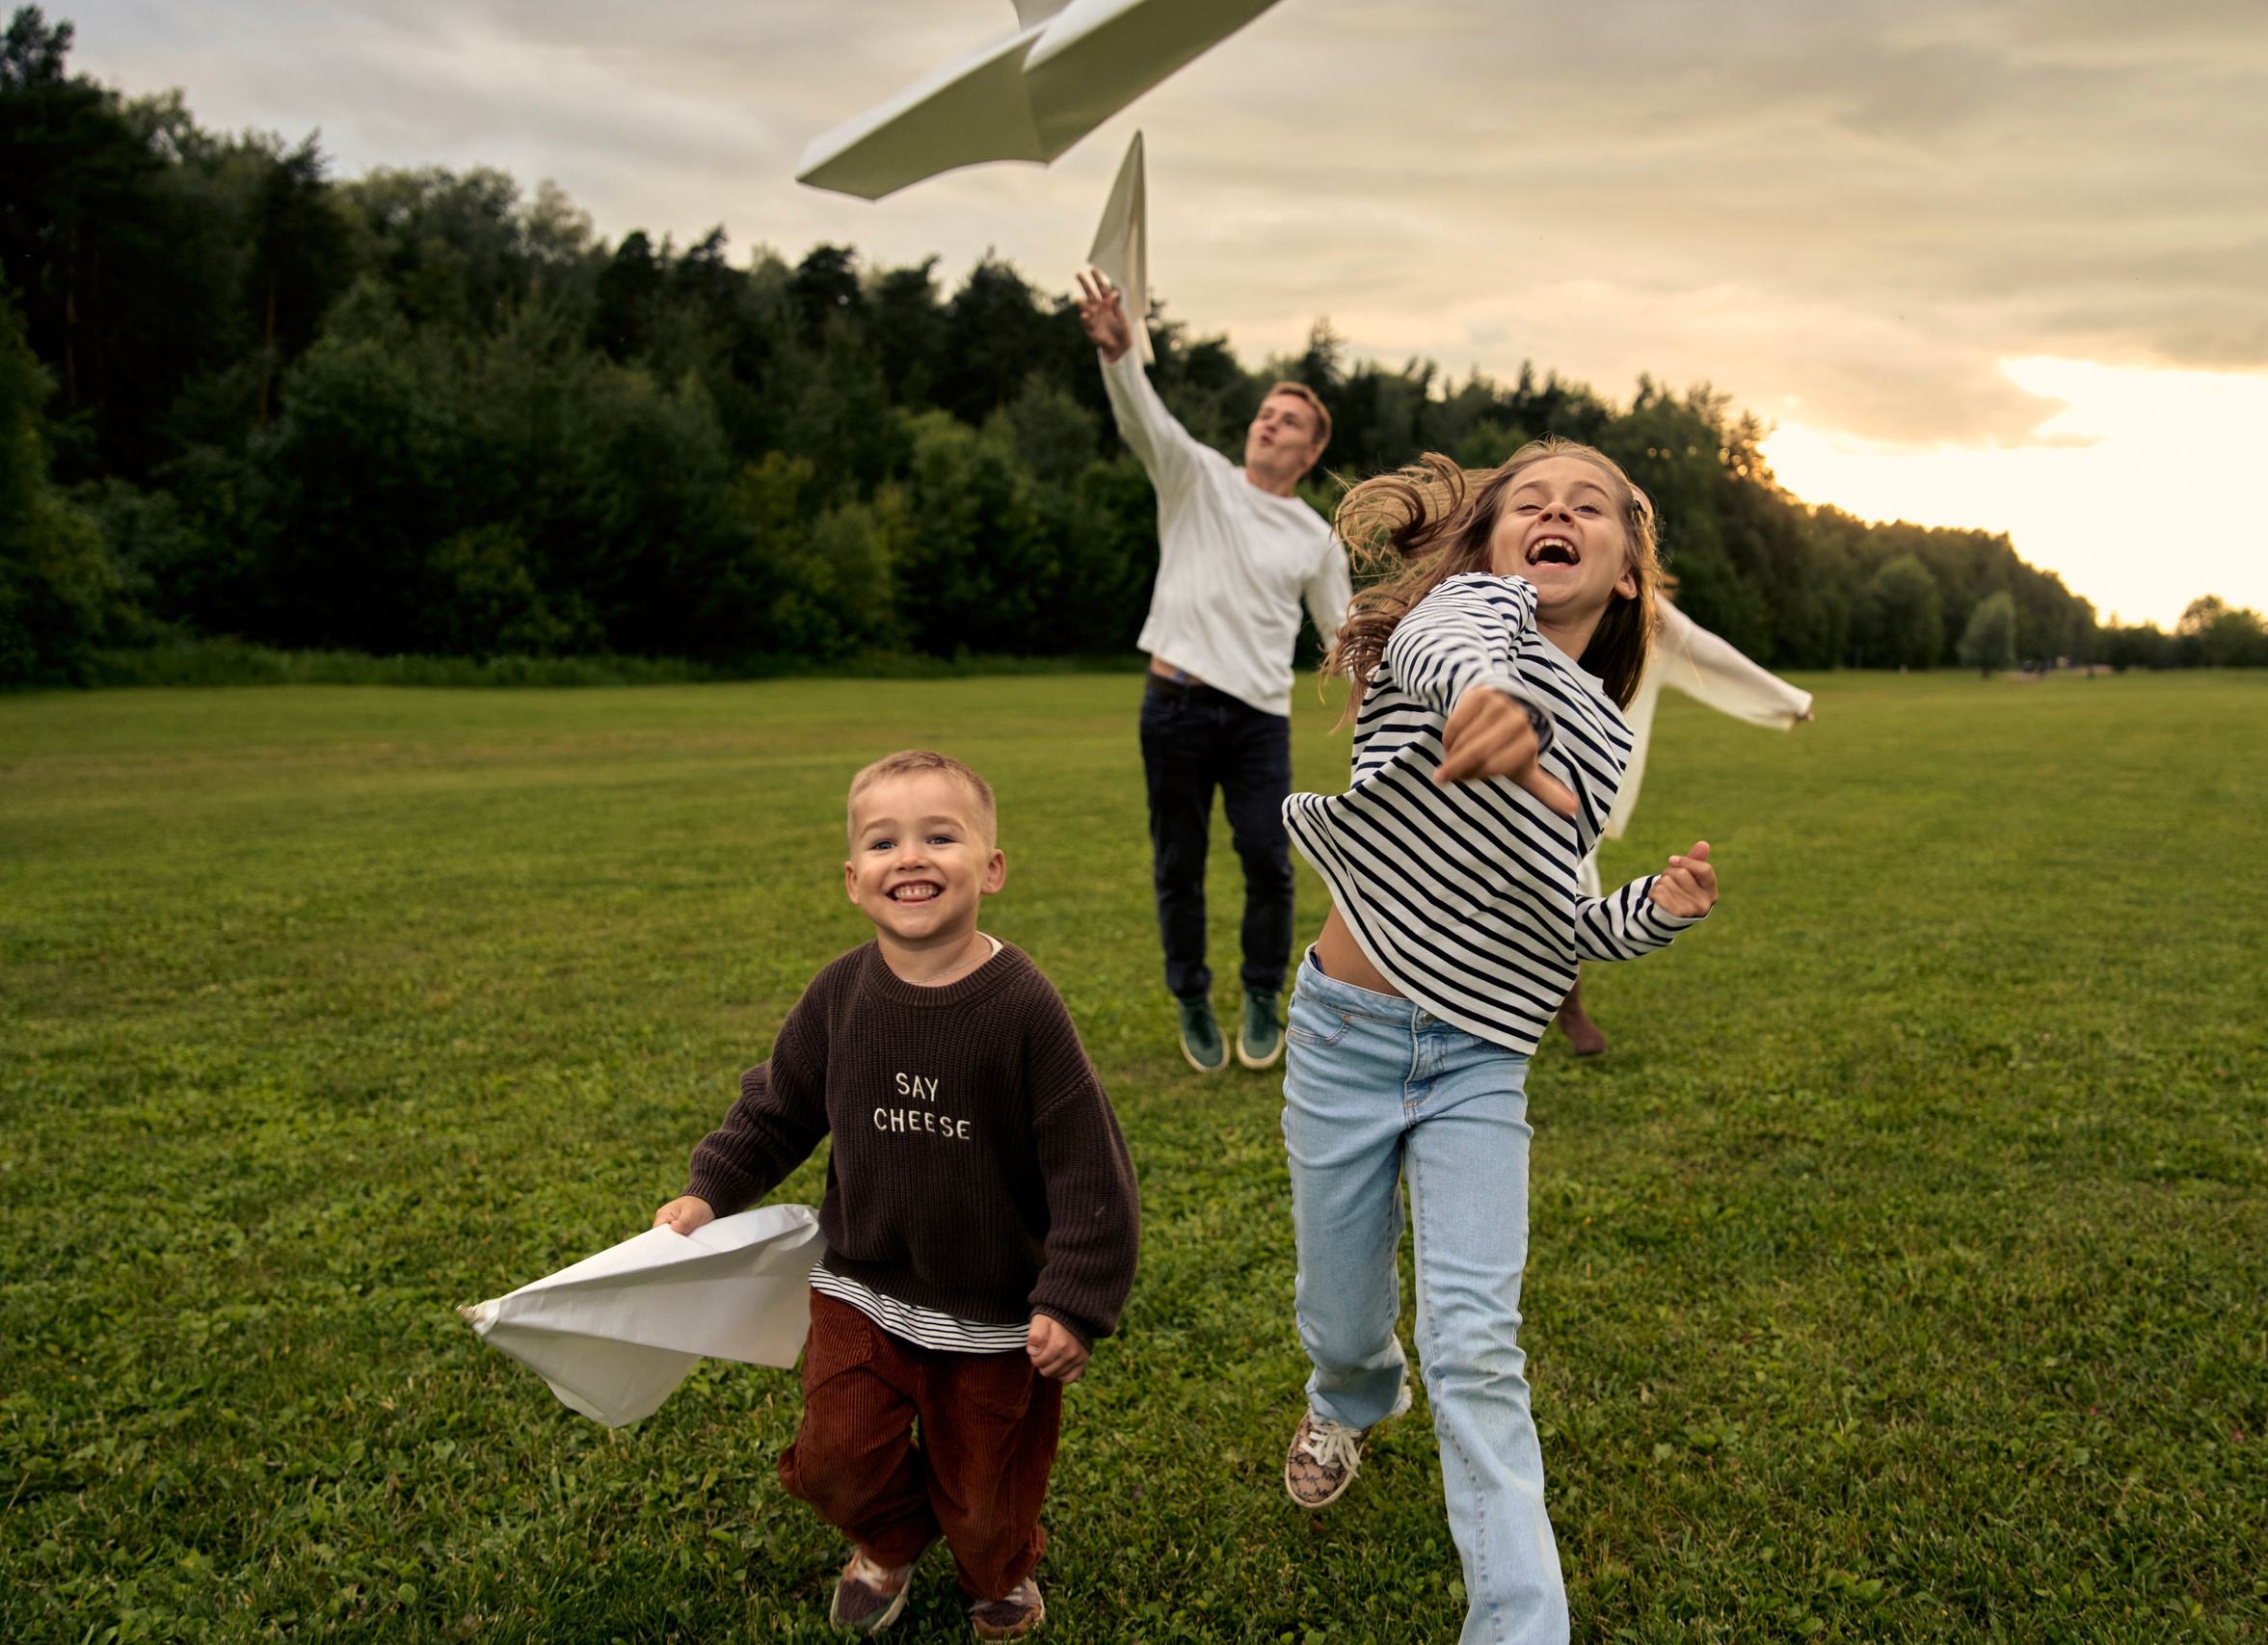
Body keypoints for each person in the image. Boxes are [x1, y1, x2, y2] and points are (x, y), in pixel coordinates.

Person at [1274, 440, 1721, 1645]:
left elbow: (1557, 915)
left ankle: (1519, 1626)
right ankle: (1350, 1394)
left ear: (1626, 572)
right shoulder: (1468, 614)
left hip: (1479, 1059)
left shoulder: (1611, 736)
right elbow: (1440, 650)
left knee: (1476, 1345)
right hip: (1346, 1037)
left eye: (1589, 508)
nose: (1557, 513)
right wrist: (1494, 699)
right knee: (1342, 1313)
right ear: (1493, 540)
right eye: (1531, 501)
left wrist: (1653, 914)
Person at [650, 750, 1139, 1640]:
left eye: (939, 836)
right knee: (834, 1459)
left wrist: (1074, 1298)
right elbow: (779, 1105)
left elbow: (1087, 1165)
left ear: (991, 867)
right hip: (862, 1290)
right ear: (852, 878)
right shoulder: (840, 996)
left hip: (991, 1314)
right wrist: (708, 1190)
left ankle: (994, 1569)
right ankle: (887, 1534)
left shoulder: (1024, 1007)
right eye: (884, 841)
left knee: (987, 1498)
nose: (910, 857)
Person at [1075, 269, 1351, 1075]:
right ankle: (1193, 999)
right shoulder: (1195, 478)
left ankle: (1262, 994)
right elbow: (1144, 419)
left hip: (1259, 719)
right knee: (1178, 865)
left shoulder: (1315, 537)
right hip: (1176, 708)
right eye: (1266, 412)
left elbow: (1342, 636)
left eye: (1290, 420)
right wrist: (1122, 355)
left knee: (1268, 858)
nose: (1270, 424)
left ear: (1312, 447)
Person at [1553, 590, 1813, 1053]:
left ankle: (1569, 1007)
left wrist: (1784, 697)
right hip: (1485, 768)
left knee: (1565, 893)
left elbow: (1702, 648)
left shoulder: (1640, 607)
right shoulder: (1505, 578)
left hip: (1573, 789)